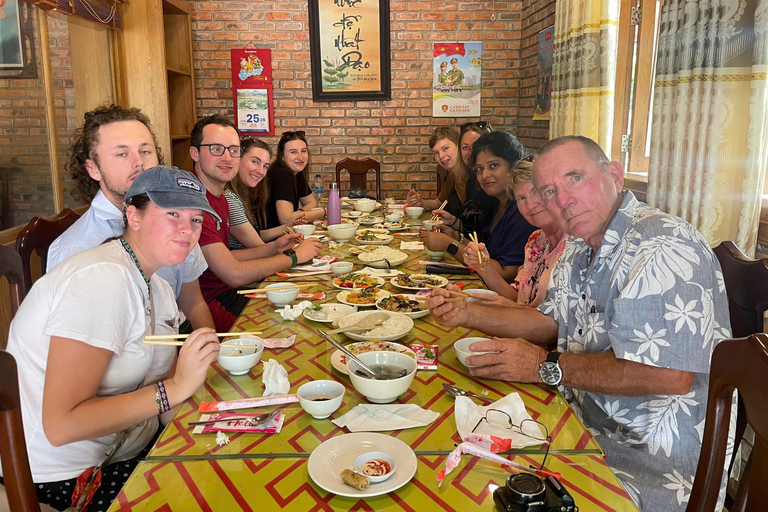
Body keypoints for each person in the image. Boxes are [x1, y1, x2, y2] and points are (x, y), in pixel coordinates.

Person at [426, 136, 733, 511]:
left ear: (615, 175)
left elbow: (667, 375)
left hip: (640, 465)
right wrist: (467, 313)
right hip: (575, 424)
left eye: (575, 178)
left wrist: (542, 366)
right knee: (454, 448)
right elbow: (549, 321)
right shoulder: (578, 244)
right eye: (549, 191)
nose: (563, 200)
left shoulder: (662, 244)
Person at [3, 166, 222, 511]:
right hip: (65, 479)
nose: (187, 229)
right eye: (173, 214)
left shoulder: (158, 286)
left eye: (196, 219)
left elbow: (168, 401)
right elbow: (61, 425)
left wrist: (217, 422)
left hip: (125, 449)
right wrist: (176, 388)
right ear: (133, 216)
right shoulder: (100, 279)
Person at [48, 104, 215, 331]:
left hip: (174, 340)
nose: (139, 163)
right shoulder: (76, 248)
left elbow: (192, 301)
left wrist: (210, 349)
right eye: (122, 154)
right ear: (93, 168)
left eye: (145, 151)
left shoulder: (180, 221)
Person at [190, 115, 322, 332]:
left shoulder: (220, 197)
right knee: (297, 326)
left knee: (308, 308)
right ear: (195, 153)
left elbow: (226, 256)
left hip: (227, 293)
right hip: (212, 303)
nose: (227, 157)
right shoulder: (194, 203)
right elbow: (234, 274)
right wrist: (293, 257)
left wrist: (273, 248)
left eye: (233, 150)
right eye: (216, 149)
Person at [422, 131, 536, 283]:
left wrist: (451, 245)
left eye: (493, 166)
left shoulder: (522, 212)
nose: (485, 175)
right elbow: (483, 252)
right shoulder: (494, 204)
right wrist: (455, 236)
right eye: (479, 169)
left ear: (512, 165)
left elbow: (507, 273)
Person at [464, 158, 566, 305]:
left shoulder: (576, 245)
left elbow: (554, 318)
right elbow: (518, 298)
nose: (530, 205)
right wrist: (483, 267)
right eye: (521, 198)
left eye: (536, 192)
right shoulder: (535, 241)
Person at [224, 136, 304, 250]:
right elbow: (260, 248)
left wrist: (287, 226)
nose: (261, 171)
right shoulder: (229, 198)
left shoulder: (243, 194)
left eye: (265, 166)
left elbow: (255, 236)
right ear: (237, 159)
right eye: (255, 162)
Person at [265, 130, 325, 229]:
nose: (300, 157)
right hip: (273, 235)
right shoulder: (282, 174)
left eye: (303, 151)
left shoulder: (296, 172)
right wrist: (325, 211)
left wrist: (298, 214)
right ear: (282, 156)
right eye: (293, 152)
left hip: (285, 232)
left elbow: (312, 202)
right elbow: (285, 219)